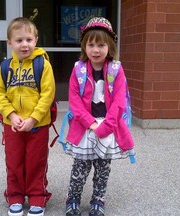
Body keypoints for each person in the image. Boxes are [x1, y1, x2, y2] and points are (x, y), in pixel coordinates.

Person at [64, 17, 135, 216]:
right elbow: (74, 101)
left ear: (110, 46)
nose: (96, 50)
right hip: (84, 125)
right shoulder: (78, 70)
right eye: (91, 44)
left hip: (108, 127)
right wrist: (90, 123)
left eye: (101, 45)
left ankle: (98, 199)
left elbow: (119, 103)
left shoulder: (116, 70)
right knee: (80, 168)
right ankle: (74, 198)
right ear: (84, 46)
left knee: (103, 169)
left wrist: (105, 127)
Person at [0, 17, 55, 216]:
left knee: (36, 162)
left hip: (38, 125)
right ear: (9, 43)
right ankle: (15, 196)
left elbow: (48, 94)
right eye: (19, 40)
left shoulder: (43, 65)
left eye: (29, 39)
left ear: (36, 40)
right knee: (14, 161)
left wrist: (33, 119)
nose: (25, 44)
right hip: (13, 125)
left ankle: (37, 197)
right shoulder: (5, 67)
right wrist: (10, 115)